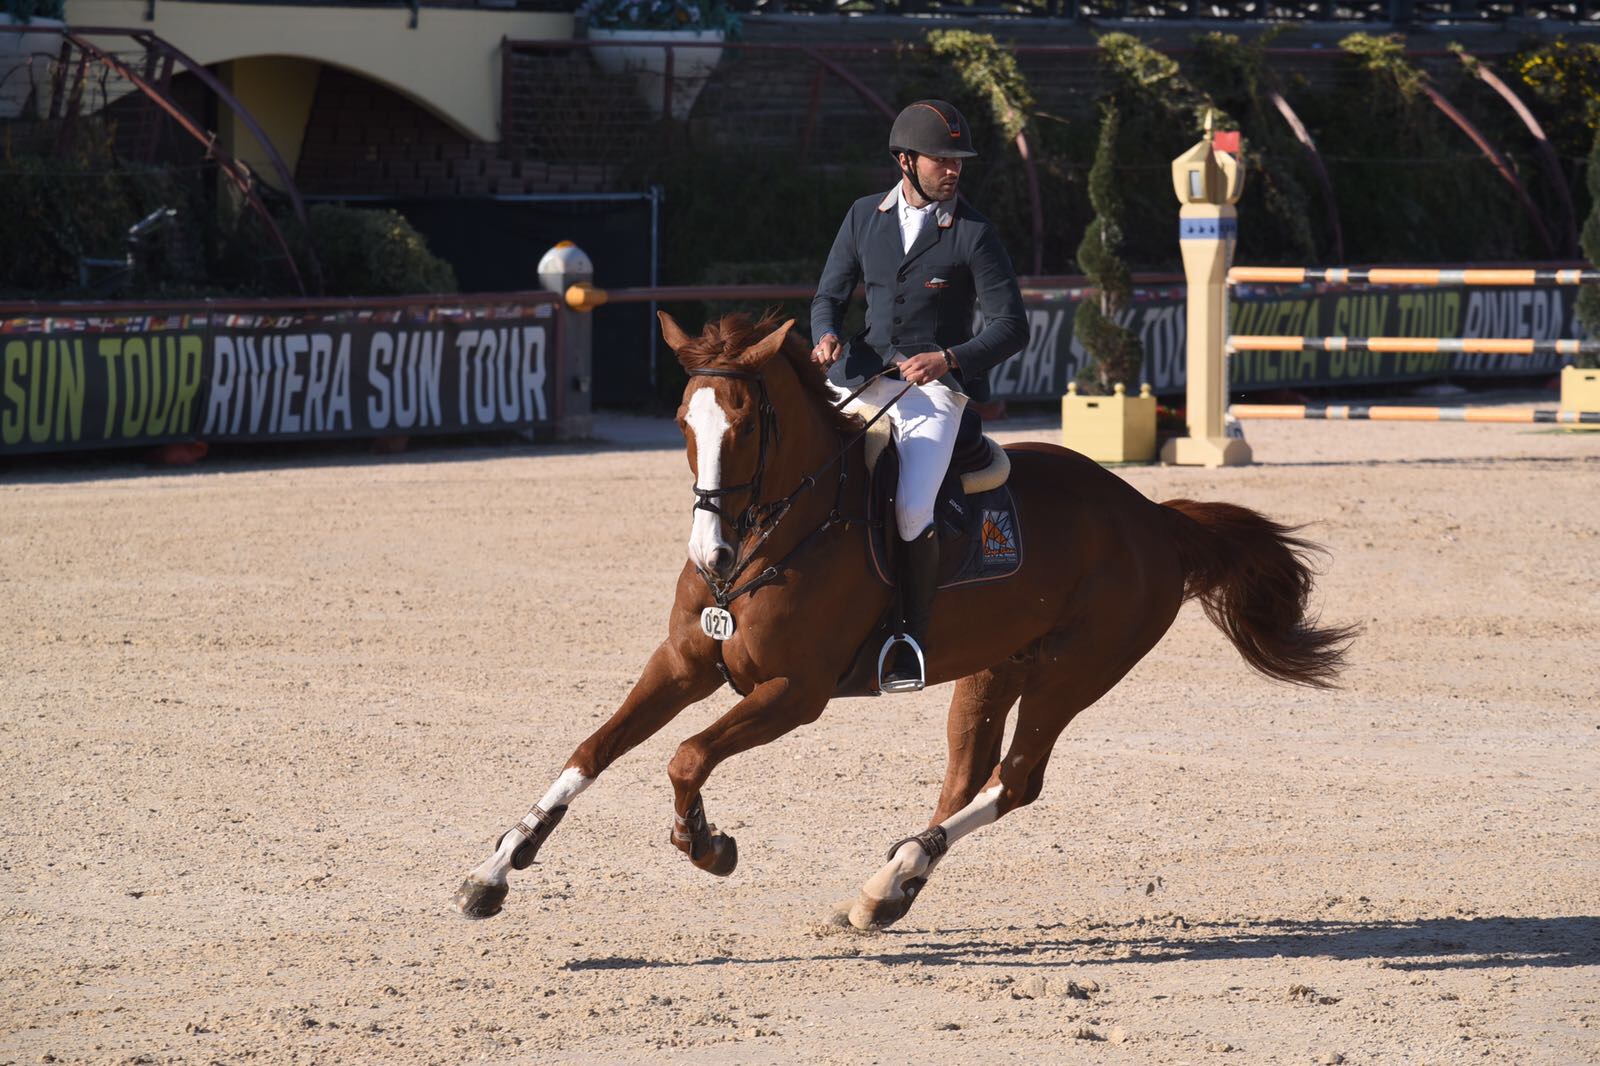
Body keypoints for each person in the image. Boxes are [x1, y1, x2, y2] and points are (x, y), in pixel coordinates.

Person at [810, 99, 1029, 693]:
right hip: (859, 377)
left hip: (933, 393)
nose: (953, 169)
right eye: (941, 159)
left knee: (911, 506)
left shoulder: (975, 233)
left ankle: (910, 636)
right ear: (905, 161)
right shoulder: (863, 216)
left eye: (958, 159)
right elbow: (828, 297)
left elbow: (1012, 327)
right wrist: (825, 334)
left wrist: (949, 359)